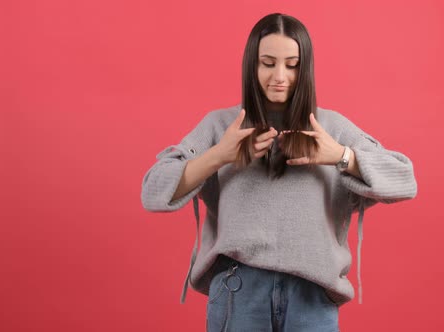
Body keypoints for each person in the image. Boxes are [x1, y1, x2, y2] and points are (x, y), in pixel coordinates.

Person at [141, 13, 417, 332]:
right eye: (268, 63)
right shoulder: (220, 126)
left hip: (312, 297)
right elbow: (153, 190)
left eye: (292, 64)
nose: (280, 76)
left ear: (306, 67)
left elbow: (404, 179)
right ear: (252, 65)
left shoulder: (331, 128)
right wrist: (219, 155)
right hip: (238, 291)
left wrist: (341, 156)